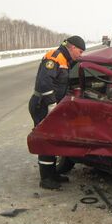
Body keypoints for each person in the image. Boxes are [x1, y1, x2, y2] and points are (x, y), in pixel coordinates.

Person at [28, 35, 85, 190]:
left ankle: (52, 174)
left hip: (50, 106)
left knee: (52, 139)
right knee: (46, 140)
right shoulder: (54, 57)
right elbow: (44, 83)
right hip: (42, 105)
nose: (80, 55)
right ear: (72, 47)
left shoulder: (66, 61)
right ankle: (46, 179)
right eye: (79, 51)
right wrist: (52, 105)